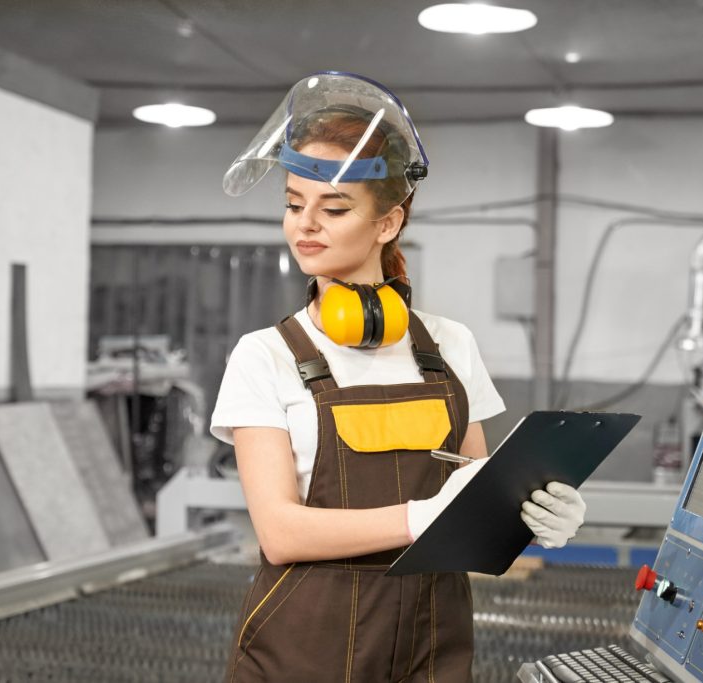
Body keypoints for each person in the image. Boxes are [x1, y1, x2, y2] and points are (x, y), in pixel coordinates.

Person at [210, 71, 586, 683]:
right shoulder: (265, 355)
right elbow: (279, 532)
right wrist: (421, 518)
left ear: (387, 224)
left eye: (333, 208)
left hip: (431, 644)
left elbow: (474, 495)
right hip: (305, 647)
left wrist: (534, 514)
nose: (305, 226)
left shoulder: (449, 345)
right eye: (292, 204)